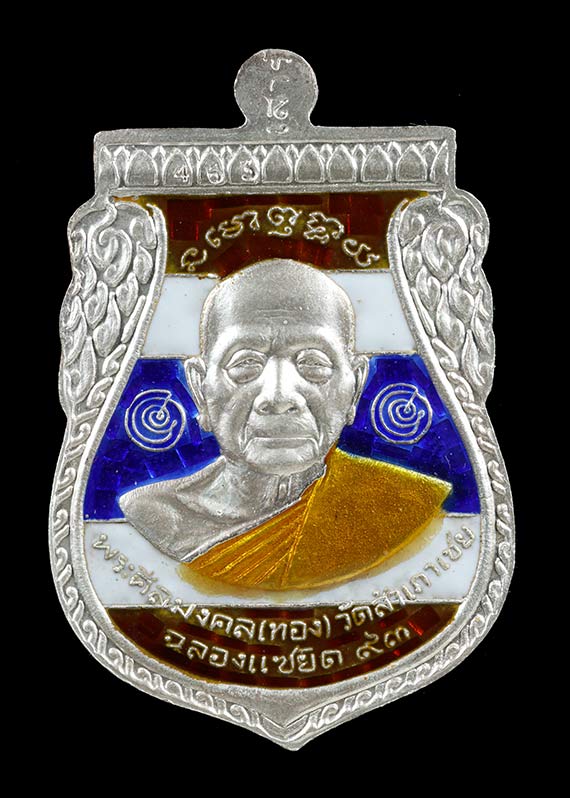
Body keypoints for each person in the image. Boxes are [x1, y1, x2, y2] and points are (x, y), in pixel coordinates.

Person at [120, 259, 450, 590]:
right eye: (245, 363)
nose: (278, 396)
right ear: (199, 388)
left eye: (314, 363)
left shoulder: (405, 504)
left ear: (355, 387)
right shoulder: (152, 512)